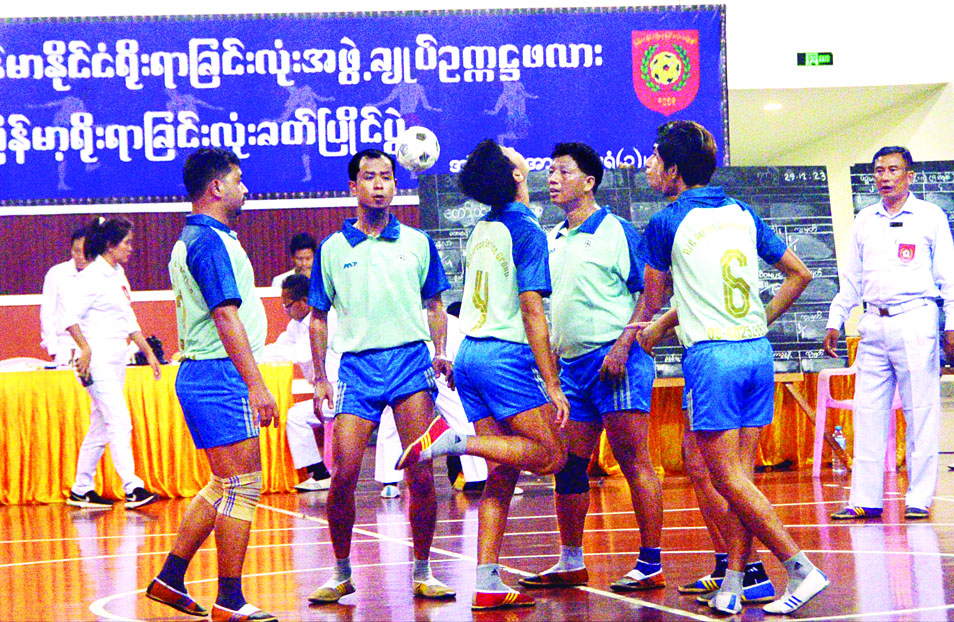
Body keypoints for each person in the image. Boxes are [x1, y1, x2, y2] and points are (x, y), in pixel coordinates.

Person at [636, 120, 826, 615]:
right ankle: (737, 581)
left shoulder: (665, 222)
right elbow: (800, 274)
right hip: (756, 351)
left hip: (714, 358)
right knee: (740, 479)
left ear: (674, 170)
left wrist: (647, 328)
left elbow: (652, 299)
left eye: (655, 158)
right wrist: (758, 319)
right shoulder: (741, 212)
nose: (649, 166)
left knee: (726, 479)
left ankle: (800, 567)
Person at [397, 139, 569, 610]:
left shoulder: (481, 228)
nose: (518, 153)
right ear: (517, 175)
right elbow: (531, 312)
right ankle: (453, 441)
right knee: (552, 454)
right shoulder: (527, 230)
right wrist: (552, 382)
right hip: (502, 356)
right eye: (512, 154)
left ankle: (488, 581)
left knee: (502, 474)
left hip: (469, 352)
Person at [306, 148, 455, 604]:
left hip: (410, 363)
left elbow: (435, 306)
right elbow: (317, 318)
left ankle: (424, 570)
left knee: (421, 471)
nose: (379, 185)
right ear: (354, 186)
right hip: (357, 369)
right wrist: (319, 377)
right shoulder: (332, 249)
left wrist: (441, 352)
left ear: (395, 184)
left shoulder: (417, 242)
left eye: (387, 177)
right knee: (344, 473)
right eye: (370, 177)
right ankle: (341, 572)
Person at [518, 142, 665, 592]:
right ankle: (570, 561)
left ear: (589, 182)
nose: (553, 179)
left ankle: (650, 563)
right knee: (568, 464)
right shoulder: (553, 238)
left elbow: (652, 294)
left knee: (633, 461)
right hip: (572, 369)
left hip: (617, 362)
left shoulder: (618, 230)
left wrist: (623, 345)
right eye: (551, 171)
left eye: (563, 171)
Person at [146, 148, 278, 622]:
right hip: (221, 374)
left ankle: (170, 578)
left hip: (206, 374)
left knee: (224, 484)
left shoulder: (198, 237)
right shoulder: (208, 241)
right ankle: (230, 599)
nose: (245, 188)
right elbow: (225, 316)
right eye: (238, 180)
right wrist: (256, 385)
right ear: (216, 187)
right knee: (243, 487)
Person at [823, 146, 954, 521]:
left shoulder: (930, 216)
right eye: (879, 170)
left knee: (920, 412)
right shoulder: (865, 220)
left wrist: (951, 324)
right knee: (867, 413)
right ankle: (865, 499)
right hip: (873, 323)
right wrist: (835, 319)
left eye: (893, 170)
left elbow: (948, 276)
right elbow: (851, 279)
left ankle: (919, 497)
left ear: (909, 176)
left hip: (916, 319)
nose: (884, 177)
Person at [61, 216, 161, 512]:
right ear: (110, 245)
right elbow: (68, 317)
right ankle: (132, 487)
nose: (131, 248)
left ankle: (81, 489)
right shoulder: (91, 277)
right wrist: (84, 347)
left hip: (116, 360)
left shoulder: (118, 274)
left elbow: (127, 319)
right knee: (119, 420)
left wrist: (148, 352)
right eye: (126, 243)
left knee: (101, 425)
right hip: (96, 362)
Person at [259, 273, 332, 492]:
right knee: (295, 416)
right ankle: (319, 474)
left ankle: (321, 475)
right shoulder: (296, 325)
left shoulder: (326, 320)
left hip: (341, 389)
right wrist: (252, 356)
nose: (286, 310)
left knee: (296, 416)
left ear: (304, 301)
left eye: (288, 305)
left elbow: (301, 353)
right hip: (325, 393)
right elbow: (279, 347)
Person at [40, 226, 88, 366]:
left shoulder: (99, 275)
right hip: (64, 346)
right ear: (71, 250)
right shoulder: (56, 274)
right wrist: (53, 350)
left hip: (92, 343)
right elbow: (46, 314)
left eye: (85, 251)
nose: (81, 256)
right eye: (77, 251)